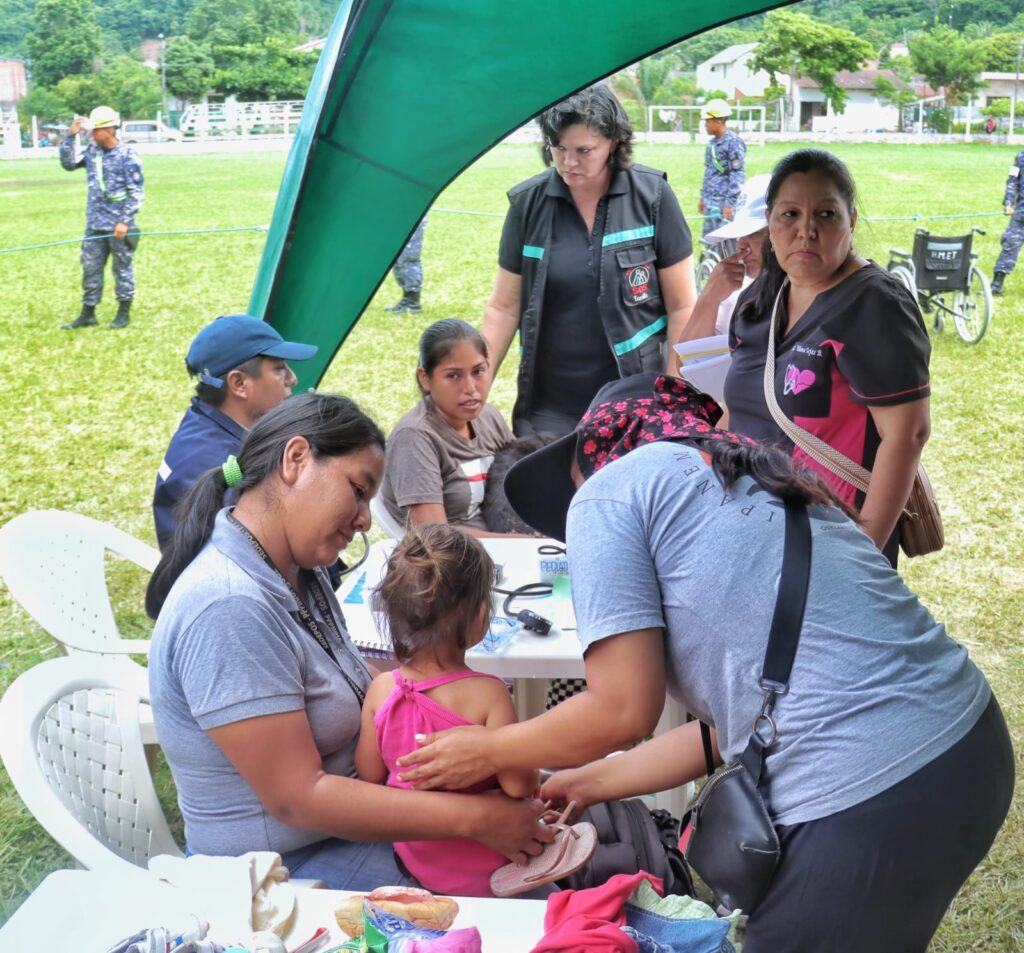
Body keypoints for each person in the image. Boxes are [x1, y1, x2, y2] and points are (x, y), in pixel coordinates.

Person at [395, 373, 1014, 953]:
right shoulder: (764, 480)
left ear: (595, 454)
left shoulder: (609, 492)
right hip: (968, 750)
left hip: (868, 787)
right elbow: (724, 735)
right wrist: (579, 783)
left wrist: (490, 751)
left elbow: (621, 709)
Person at [145, 392, 552, 889]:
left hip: (358, 821)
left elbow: (341, 676)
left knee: (563, 834)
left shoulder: (295, 569)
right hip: (284, 871)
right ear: (296, 460)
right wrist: (478, 818)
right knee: (544, 897)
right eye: (358, 491)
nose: (364, 518)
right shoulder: (228, 607)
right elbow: (298, 798)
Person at [724, 148, 930, 566]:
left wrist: (863, 555)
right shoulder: (759, 300)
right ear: (769, 221)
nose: (806, 231)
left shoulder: (874, 305)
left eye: (826, 215)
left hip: (830, 542)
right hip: (750, 534)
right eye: (790, 215)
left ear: (851, 221)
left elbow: (907, 435)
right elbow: (737, 409)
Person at [482, 83, 696, 436]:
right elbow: (504, 308)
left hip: (635, 400)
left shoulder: (652, 196)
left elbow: (682, 306)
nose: (569, 163)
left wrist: (673, 394)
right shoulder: (527, 205)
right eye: (558, 148)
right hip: (549, 407)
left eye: (584, 150)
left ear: (613, 142)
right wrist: (475, 388)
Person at [355, 524, 541, 897]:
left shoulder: (381, 690)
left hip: (415, 866)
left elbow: (369, 773)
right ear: (481, 617)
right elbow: (521, 785)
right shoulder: (489, 695)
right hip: (496, 871)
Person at [153, 314, 318, 550]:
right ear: (239, 384)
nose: (293, 379)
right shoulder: (218, 466)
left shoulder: (207, 425)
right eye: (280, 369)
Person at [378, 319, 521, 536]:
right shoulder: (414, 438)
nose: (471, 388)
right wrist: (518, 543)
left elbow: (519, 485)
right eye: (453, 375)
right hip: (452, 560)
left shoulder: (489, 417)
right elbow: (434, 535)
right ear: (425, 378)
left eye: (478, 371)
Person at [59, 106, 143, 330]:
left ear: (110, 130)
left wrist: (124, 221)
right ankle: (88, 313)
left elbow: (136, 192)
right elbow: (68, 164)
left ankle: (123, 312)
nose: (92, 134)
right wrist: (70, 135)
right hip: (95, 224)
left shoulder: (128, 155)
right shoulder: (92, 151)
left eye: (96, 130)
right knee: (90, 268)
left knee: (122, 268)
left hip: (119, 226)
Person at [680, 173, 770, 340]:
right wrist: (709, 299)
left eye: (755, 233)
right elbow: (688, 360)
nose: (741, 244)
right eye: (740, 235)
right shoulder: (736, 294)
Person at [697, 99, 745, 238]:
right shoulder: (711, 144)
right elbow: (709, 174)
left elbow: (737, 175)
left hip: (724, 204)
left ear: (718, 121)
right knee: (709, 239)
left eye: (707, 121)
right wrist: (703, 199)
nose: (705, 125)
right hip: (710, 202)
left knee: (725, 242)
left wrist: (730, 204)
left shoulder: (733, 143)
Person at [992, 148, 1024, 295]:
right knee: (1010, 242)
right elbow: (1013, 180)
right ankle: (997, 283)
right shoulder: (1021, 156)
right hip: (1021, 211)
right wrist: (1009, 203)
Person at [384, 216, 428, 313]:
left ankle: (413, 302)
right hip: (401, 217)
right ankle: (407, 299)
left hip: (412, 217)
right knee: (399, 258)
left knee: (408, 258)